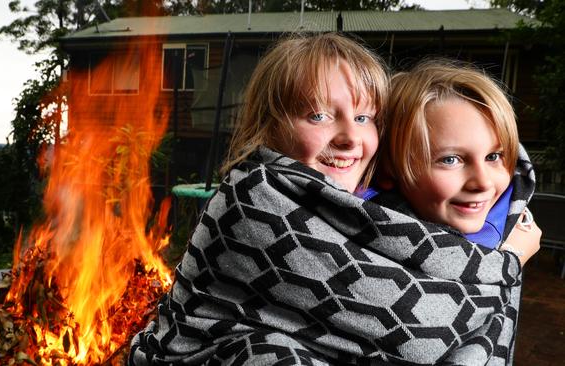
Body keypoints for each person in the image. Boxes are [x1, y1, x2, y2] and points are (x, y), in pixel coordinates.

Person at [129, 34, 536, 366]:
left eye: (364, 118)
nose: (348, 138)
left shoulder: (372, 210)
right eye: (319, 116)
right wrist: (508, 263)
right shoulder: (253, 199)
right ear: (271, 127)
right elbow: (419, 331)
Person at [374, 59, 541, 363]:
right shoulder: (364, 248)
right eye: (450, 160)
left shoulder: (505, 229)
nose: (483, 183)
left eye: (494, 156)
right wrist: (510, 261)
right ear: (390, 169)